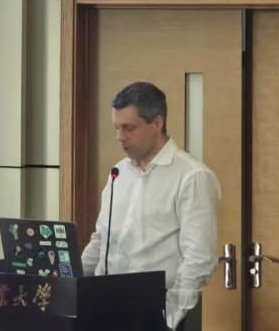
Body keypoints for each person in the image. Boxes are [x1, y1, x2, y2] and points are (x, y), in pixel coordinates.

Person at [80, 81, 220, 331]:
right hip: (102, 307)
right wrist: (72, 280)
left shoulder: (192, 177)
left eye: (129, 128)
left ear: (157, 123)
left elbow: (199, 259)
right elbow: (102, 239)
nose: (120, 137)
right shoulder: (119, 172)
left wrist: (168, 317)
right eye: (117, 128)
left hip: (154, 312)